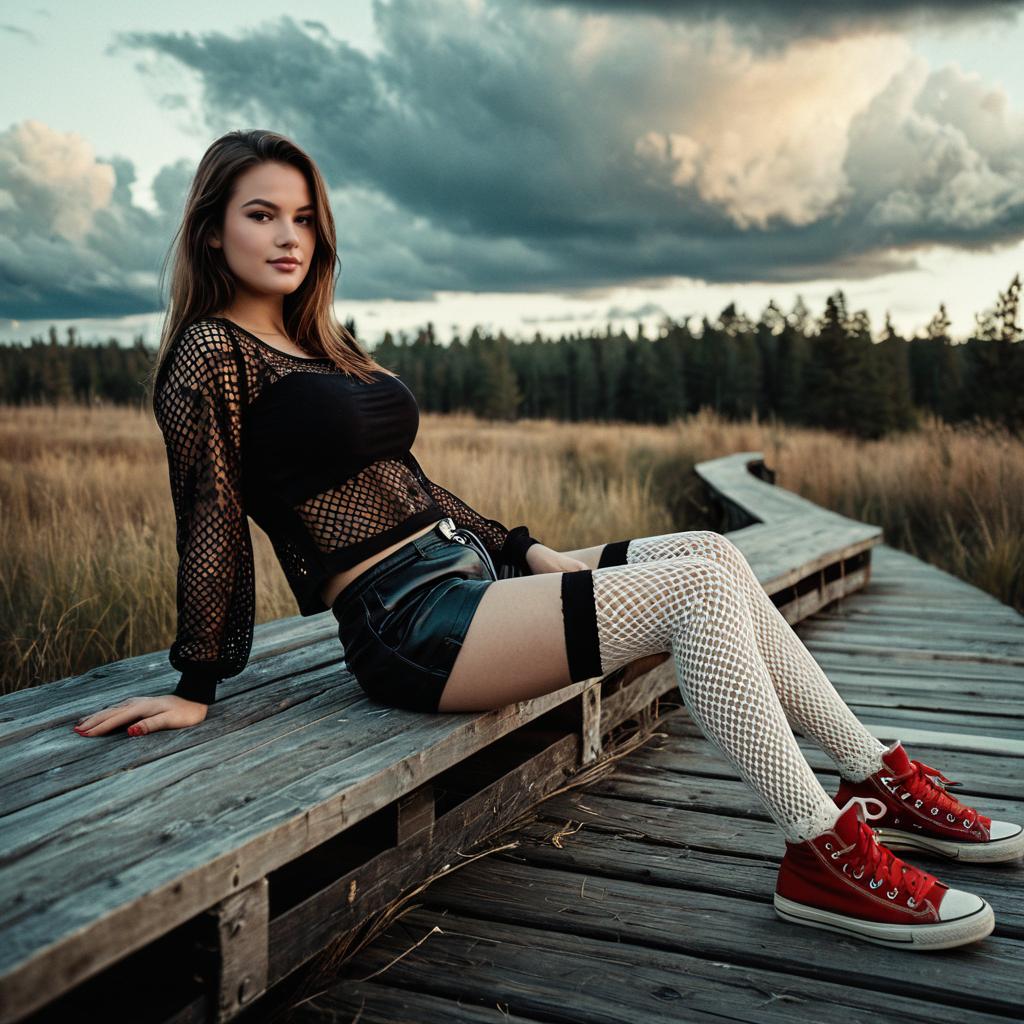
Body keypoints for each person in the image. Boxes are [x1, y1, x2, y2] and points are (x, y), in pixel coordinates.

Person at [73, 130, 1022, 951]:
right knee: (696, 597)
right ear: (211, 229)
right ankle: (820, 852)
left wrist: (528, 550)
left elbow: (413, 486)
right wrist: (200, 681)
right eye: (262, 215)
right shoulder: (211, 355)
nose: (289, 237)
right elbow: (206, 515)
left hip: (473, 577)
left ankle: (876, 777)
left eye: (305, 218)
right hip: (411, 625)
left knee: (715, 555)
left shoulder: (320, 340)